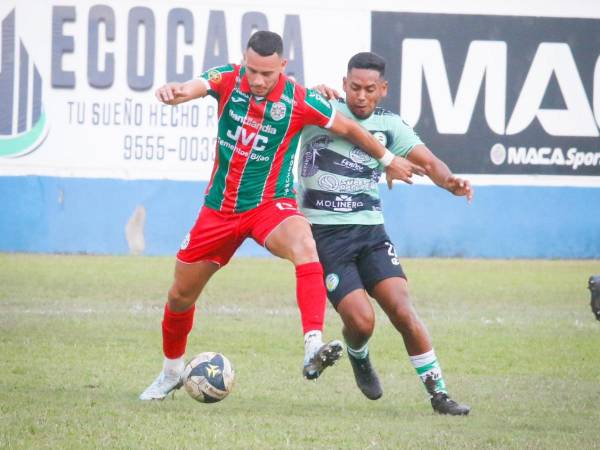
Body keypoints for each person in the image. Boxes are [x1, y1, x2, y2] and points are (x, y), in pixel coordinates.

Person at [140, 33, 424, 400]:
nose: (257, 80)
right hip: (219, 210)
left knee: (305, 244)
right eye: (253, 71)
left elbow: (350, 128)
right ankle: (171, 372)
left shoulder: (299, 100)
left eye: (267, 74)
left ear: (283, 67)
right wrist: (177, 91)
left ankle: (312, 343)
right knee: (179, 296)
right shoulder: (229, 78)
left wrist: (387, 159)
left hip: (269, 206)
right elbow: (196, 85)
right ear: (244, 62)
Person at [297, 52, 472, 415]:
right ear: (344, 84)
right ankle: (359, 354)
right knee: (362, 322)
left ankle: (439, 395)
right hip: (326, 237)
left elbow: (429, 161)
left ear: (383, 90)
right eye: (355, 87)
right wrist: (311, 91)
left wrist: (448, 180)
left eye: (370, 89)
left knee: (403, 310)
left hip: (371, 233)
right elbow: (289, 102)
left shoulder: (389, 124)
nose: (361, 96)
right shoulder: (320, 109)